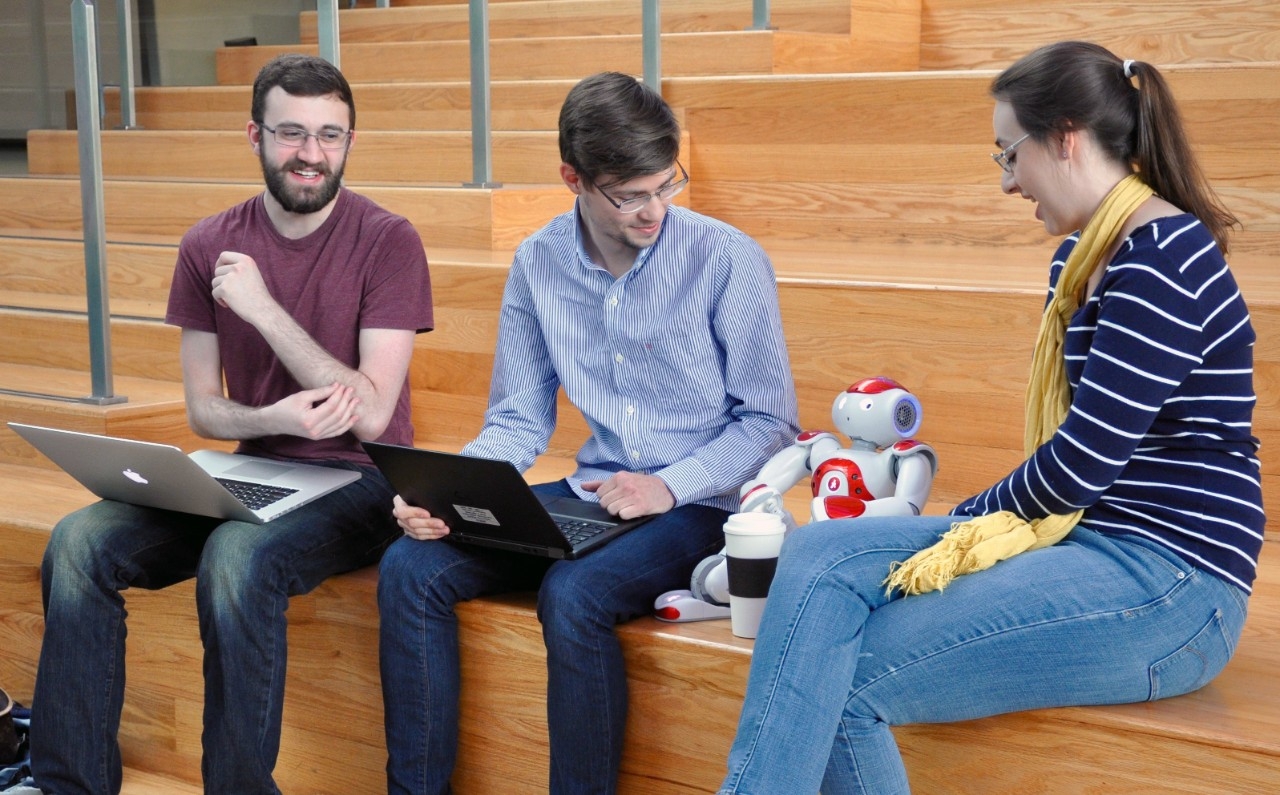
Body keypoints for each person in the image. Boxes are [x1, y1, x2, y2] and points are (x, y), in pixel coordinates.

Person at [717, 40, 1263, 795]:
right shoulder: (1084, 257)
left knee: (833, 680)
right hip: (1090, 541)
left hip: (1174, 585)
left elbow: (1083, 462)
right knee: (821, 553)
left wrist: (966, 527)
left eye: (1011, 154)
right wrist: (965, 528)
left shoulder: (1162, 256)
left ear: (1066, 137)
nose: (1008, 182)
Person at [378, 71, 799, 794]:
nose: (655, 210)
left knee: (573, 595)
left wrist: (668, 485)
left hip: (703, 503)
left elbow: (768, 423)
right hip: (594, 492)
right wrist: (446, 492)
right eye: (629, 194)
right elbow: (517, 415)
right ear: (572, 177)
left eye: (667, 185)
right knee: (408, 569)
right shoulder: (539, 262)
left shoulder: (726, 258)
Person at [30, 53, 434, 794]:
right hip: (253, 468)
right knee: (78, 541)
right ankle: (68, 785)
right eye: (290, 133)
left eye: (330, 136)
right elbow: (202, 408)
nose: (311, 154)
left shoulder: (388, 240)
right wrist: (270, 415)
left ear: (349, 142)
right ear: (254, 135)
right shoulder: (207, 242)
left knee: (237, 558)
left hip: (361, 481)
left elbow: (372, 408)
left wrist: (263, 311)